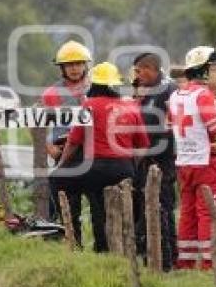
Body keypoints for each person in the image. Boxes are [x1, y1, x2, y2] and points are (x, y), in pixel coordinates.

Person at [58, 62, 149, 252]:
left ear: (95, 85)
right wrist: (131, 167)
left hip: (95, 169)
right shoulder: (131, 107)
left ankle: (89, 244)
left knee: (93, 205)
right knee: (124, 211)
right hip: (124, 168)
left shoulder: (89, 105)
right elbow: (142, 146)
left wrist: (61, 164)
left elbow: (74, 141)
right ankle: (126, 252)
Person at [168, 46, 216, 270]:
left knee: (188, 214)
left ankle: (185, 264)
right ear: (205, 71)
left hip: (184, 163)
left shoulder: (176, 95)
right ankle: (209, 266)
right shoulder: (204, 96)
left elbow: (170, 126)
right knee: (210, 215)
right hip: (207, 163)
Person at [131, 52, 179, 270]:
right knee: (147, 207)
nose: (138, 76)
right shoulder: (146, 91)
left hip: (162, 159)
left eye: (139, 71)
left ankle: (168, 261)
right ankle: (151, 257)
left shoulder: (168, 90)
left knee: (163, 208)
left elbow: (172, 125)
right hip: (146, 159)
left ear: (150, 68)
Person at [42, 40, 91, 222]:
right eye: (69, 65)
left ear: (85, 65)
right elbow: (38, 126)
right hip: (64, 154)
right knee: (66, 206)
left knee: (98, 204)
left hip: (92, 153)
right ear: (62, 68)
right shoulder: (51, 94)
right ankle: (67, 244)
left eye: (78, 63)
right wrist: (50, 149)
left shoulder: (95, 88)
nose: (74, 68)